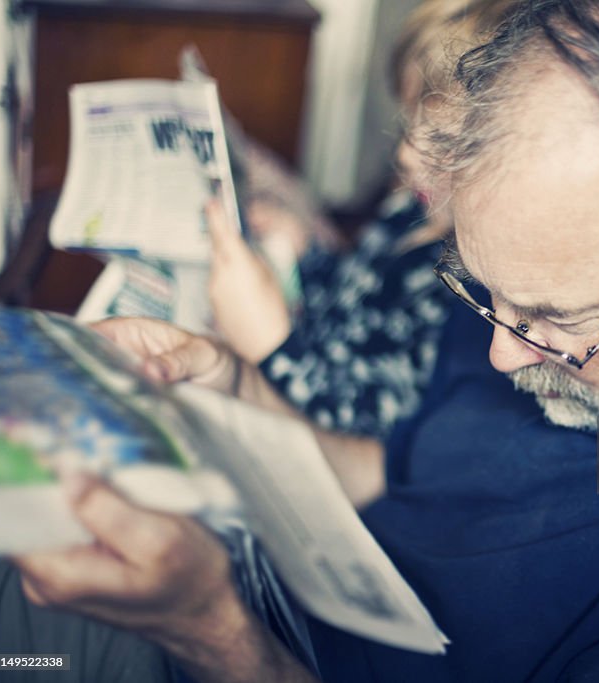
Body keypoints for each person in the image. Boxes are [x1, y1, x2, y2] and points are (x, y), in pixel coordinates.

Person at [0, 1, 599, 681]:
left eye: (554, 320)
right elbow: (399, 474)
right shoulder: (566, 300)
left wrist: (212, 629)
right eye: (489, 299)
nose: (504, 354)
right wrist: (234, 381)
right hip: (284, 590)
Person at [208, 0, 517, 439]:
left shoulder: (462, 290)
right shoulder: (410, 211)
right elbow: (348, 301)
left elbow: (366, 432)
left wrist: (269, 343)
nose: (406, 153)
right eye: (410, 121)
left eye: (443, 139)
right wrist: (305, 250)